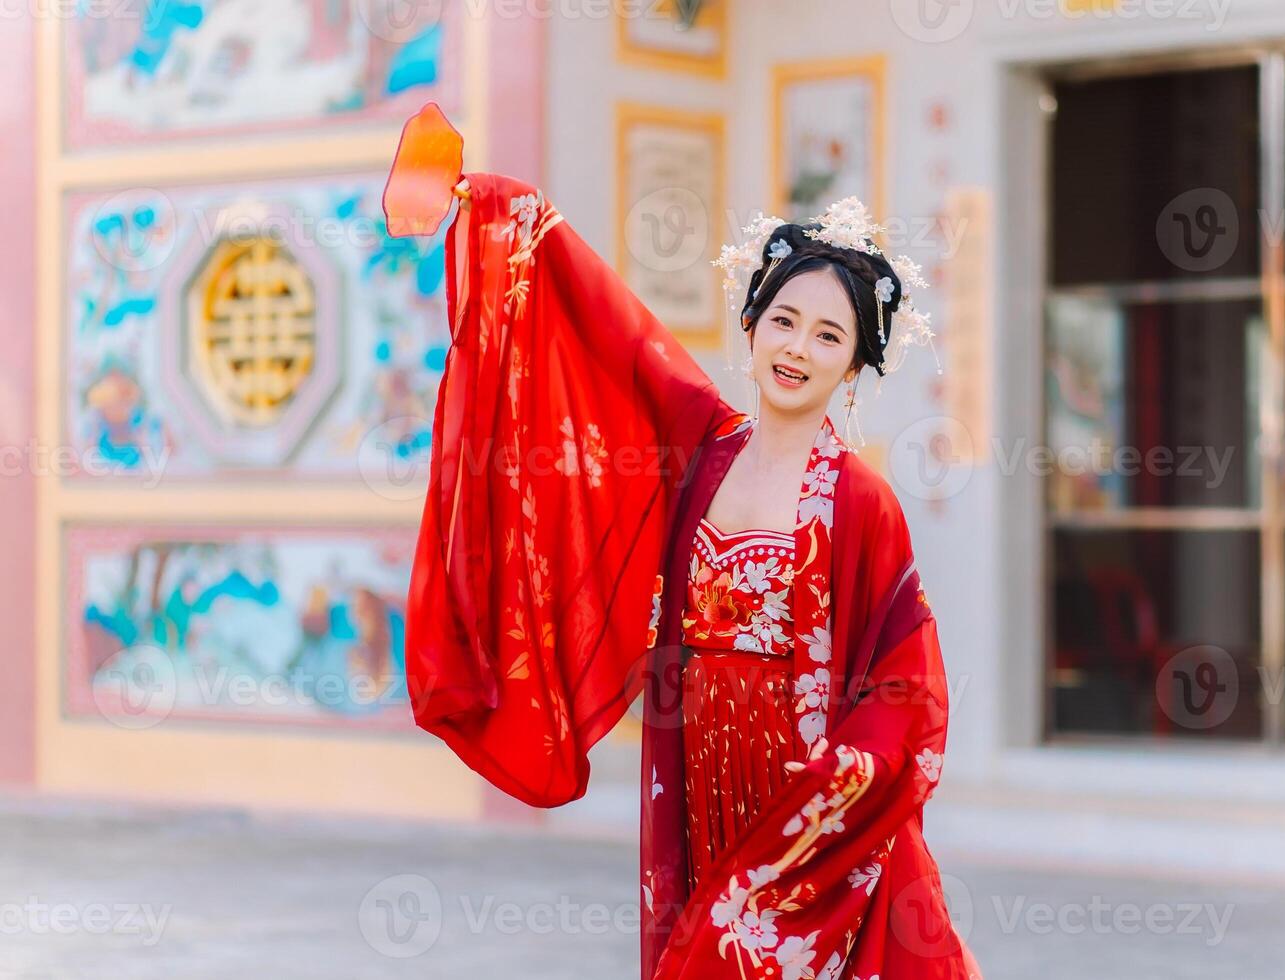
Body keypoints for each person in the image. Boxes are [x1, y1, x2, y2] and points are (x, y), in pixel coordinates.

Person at [399, 170, 982, 979]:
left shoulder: (860, 501)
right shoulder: (699, 450)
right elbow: (610, 329)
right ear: (750, 325)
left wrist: (830, 801)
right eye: (784, 320)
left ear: (853, 367)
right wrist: (506, 214)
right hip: (697, 779)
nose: (797, 348)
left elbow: (906, 689)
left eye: (827, 336)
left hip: (803, 812)